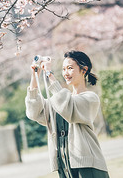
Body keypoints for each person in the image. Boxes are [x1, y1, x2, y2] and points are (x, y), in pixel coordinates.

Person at [25, 50, 110, 178]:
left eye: (70, 68)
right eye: (64, 69)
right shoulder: (60, 99)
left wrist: (49, 74)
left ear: (84, 70)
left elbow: (68, 107)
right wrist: (35, 75)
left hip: (88, 165)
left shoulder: (90, 98)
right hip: (65, 166)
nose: (65, 73)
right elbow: (35, 112)